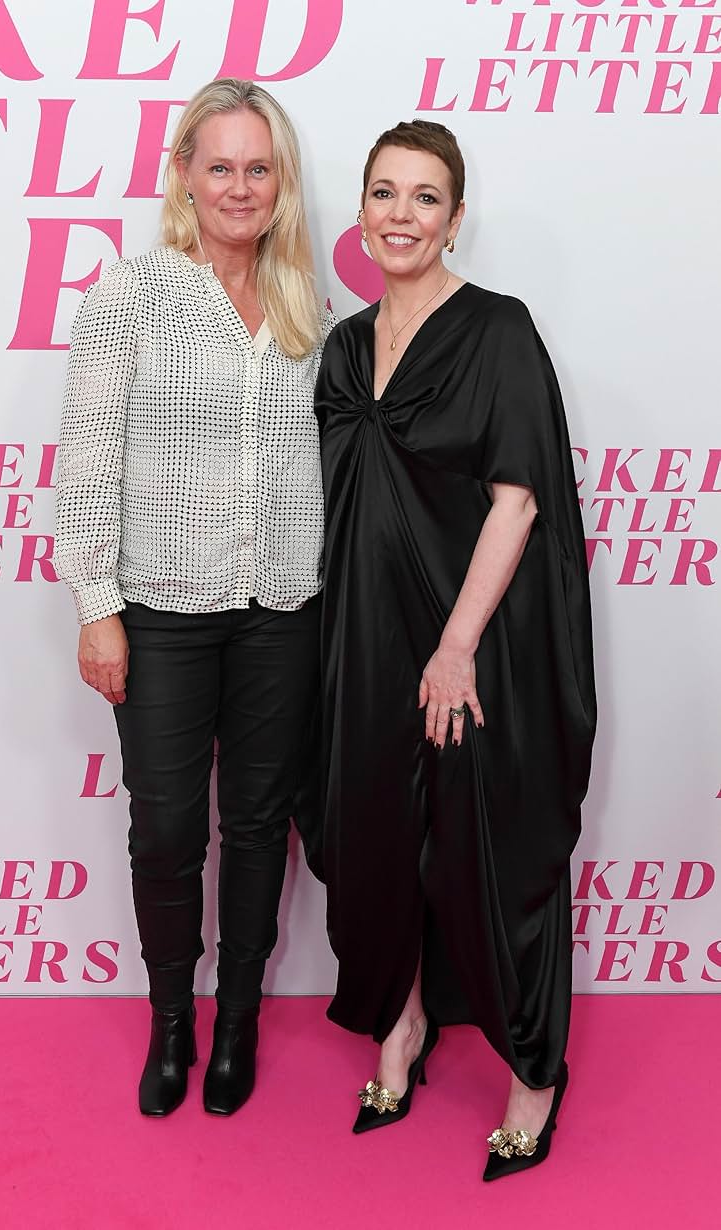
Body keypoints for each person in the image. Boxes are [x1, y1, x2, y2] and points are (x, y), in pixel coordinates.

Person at [314, 120, 596, 1179]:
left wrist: (455, 646)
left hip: (472, 644)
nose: (399, 214)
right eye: (383, 192)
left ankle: (533, 1076)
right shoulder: (342, 348)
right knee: (375, 842)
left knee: (489, 852)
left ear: (454, 217)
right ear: (361, 215)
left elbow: (517, 500)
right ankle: (402, 1029)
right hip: (363, 643)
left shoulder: (498, 333)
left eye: (423, 197)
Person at [55, 78, 333, 1118]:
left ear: (280, 182)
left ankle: (242, 1023)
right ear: (183, 173)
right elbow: (84, 462)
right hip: (161, 609)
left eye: (258, 168)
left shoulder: (311, 306)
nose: (239, 186)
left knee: (261, 824)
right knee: (168, 829)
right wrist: (94, 602)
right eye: (218, 166)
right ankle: (172, 1024)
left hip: (283, 610)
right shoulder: (129, 294)